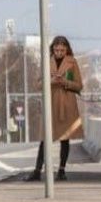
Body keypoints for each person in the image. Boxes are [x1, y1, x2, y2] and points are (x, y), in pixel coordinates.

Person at [26, 35, 84, 182]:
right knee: (44, 138)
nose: (59, 52)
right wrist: (51, 81)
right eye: (56, 49)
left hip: (66, 104)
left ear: (67, 50)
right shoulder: (47, 62)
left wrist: (65, 82)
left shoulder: (72, 63)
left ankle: (62, 170)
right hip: (50, 103)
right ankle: (37, 170)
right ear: (52, 49)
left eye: (62, 50)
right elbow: (38, 84)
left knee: (65, 139)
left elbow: (79, 85)